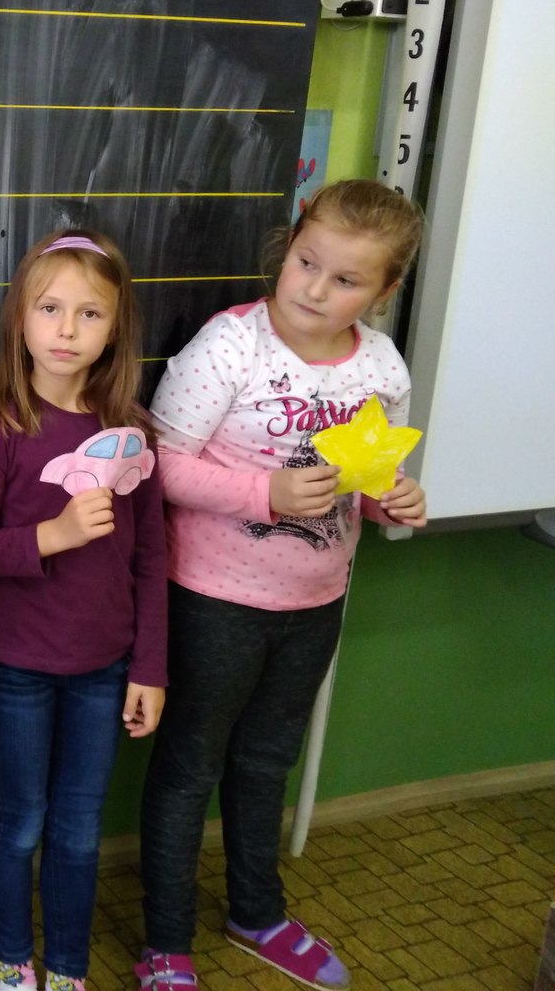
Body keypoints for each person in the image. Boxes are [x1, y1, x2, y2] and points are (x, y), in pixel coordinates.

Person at [135, 180, 428, 991]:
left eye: (347, 280)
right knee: (191, 767)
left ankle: (257, 913)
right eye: (306, 262)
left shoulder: (381, 366)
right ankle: (166, 942)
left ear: (385, 291)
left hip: (316, 601)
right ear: (289, 246)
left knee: (267, 760)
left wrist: (395, 500)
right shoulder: (231, 346)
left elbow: (373, 479)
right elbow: (159, 465)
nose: (315, 289)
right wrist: (263, 493)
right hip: (213, 599)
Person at [0, 230, 168, 991]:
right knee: (19, 823)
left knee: (77, 830)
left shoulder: (131, 438)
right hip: (14, 666)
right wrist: (55, 534)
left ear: (114, 329)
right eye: (50, 309)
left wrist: (149, 668)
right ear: (21, 318)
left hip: (103, 668)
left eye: (89, 314)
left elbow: (152, 559)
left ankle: (68, 970)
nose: (67, 330)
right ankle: (14, 962)